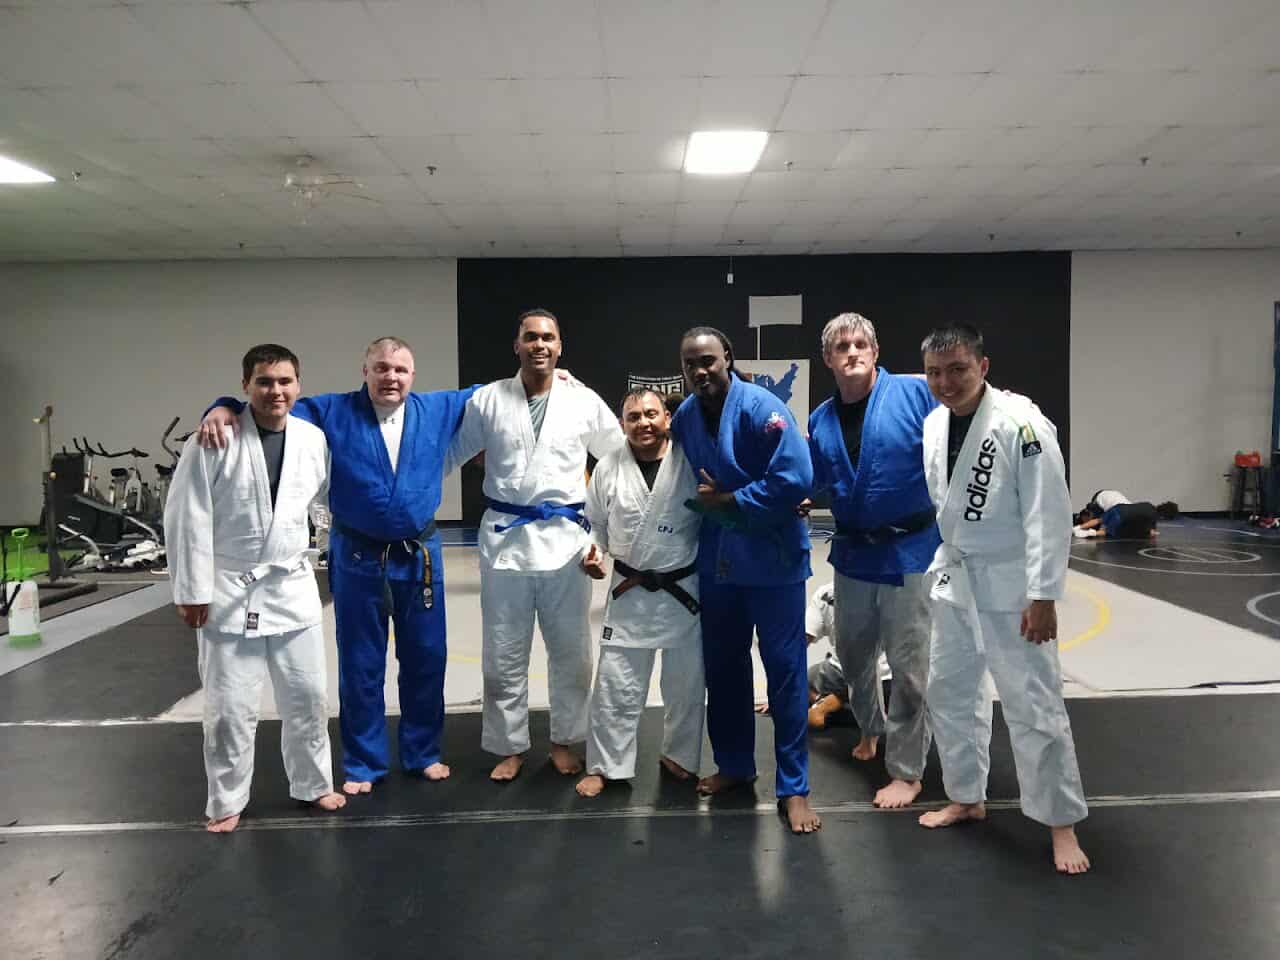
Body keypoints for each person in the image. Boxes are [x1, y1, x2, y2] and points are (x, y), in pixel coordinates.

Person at [199, 337, 474, 795]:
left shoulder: (440, 408)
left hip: (419, 556)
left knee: (426, 657)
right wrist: (223, 404)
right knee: (361, 662)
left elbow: (502, 392)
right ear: (364, 371)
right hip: (358, 556)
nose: (391, 377)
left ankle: (423, 752)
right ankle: (364, 763)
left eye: (401, 370)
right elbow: (271, 405)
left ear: (413, 374)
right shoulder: (330, 411)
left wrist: (554, 380)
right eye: (381, 368)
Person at [918, 323, 1090, 875]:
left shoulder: (1022, 424)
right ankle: (966, 796)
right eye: (935, 372)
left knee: (1032, 704)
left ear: (983, 367)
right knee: (949, 692)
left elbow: (1049, 512)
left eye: (958, 369)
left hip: (1014, 585)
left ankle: (1061, 823)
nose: (946, 382)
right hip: (957, 581)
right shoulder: (933, 425)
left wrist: (1044, 595)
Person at [167, 343, 345, 832]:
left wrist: (331, 544)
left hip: (290, 584)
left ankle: (313, 784)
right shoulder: (213, 438)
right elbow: (187, 515)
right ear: (245, 385)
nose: (275, 391)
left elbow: (322, 501)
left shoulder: (312, 438)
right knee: (229, 708)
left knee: (308, 697)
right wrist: (190, 589)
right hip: (228, 589)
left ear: (298, 386)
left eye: (285, 381)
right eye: (265, 381)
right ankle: (226, 800)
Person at [446, 308, 625, 782]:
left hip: (567, 541)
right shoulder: (487, 400)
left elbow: (619, 458)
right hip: (505, 540)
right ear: (517, 345)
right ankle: (508, 745)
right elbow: (450, 453)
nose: (539, 345)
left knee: (570, 651)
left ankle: (565, 741)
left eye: (548, 337)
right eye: (530, 337)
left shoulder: (582, 400)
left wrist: (607, 537)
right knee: (503, 650)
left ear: (560, 347)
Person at [670, 326, 821, 834]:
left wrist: (733, 499)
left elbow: (797, 478)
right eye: (691, 363)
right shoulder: (686, 416)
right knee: (724, 668)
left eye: (709, 360)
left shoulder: (762, 408)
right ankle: (734, 763)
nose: (701, 371)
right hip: (720, 561)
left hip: (773, 561)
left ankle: (794, 787)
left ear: (728, 357)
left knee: (784, 672)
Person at [807, 312, 939, 809]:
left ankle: (906, 771)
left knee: (908, 667)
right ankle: (870, 728)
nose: (852, 352)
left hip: (910, 550)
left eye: (861, 343)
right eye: (841, 347)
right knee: (855, 656)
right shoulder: (820, 419)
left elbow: (961, 422)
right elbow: (816, 481)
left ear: (876, 351)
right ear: (828, 359)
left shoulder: (916, 393)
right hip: (854, 554)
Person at [575, 388, 704, 798]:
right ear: (621, 424)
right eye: (634, 417)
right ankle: (605, 766)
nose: (644, 423)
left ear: (667, 417)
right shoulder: (608, 467)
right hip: (629, 589)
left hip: (684, 589)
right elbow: (592, 523)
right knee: (615, 683)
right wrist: (591, 554)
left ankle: (680, 756)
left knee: (685, 684)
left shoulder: (690, 459)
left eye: (651, 414)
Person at [1072, 490, 1163, 539]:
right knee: (1105, 530)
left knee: (1100, 521)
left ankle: (1078, 528)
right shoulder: (1150, 514)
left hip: (1116, 505)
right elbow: (1150, 531)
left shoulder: (1146, 505)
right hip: (1112, 505)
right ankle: (1086, 532)